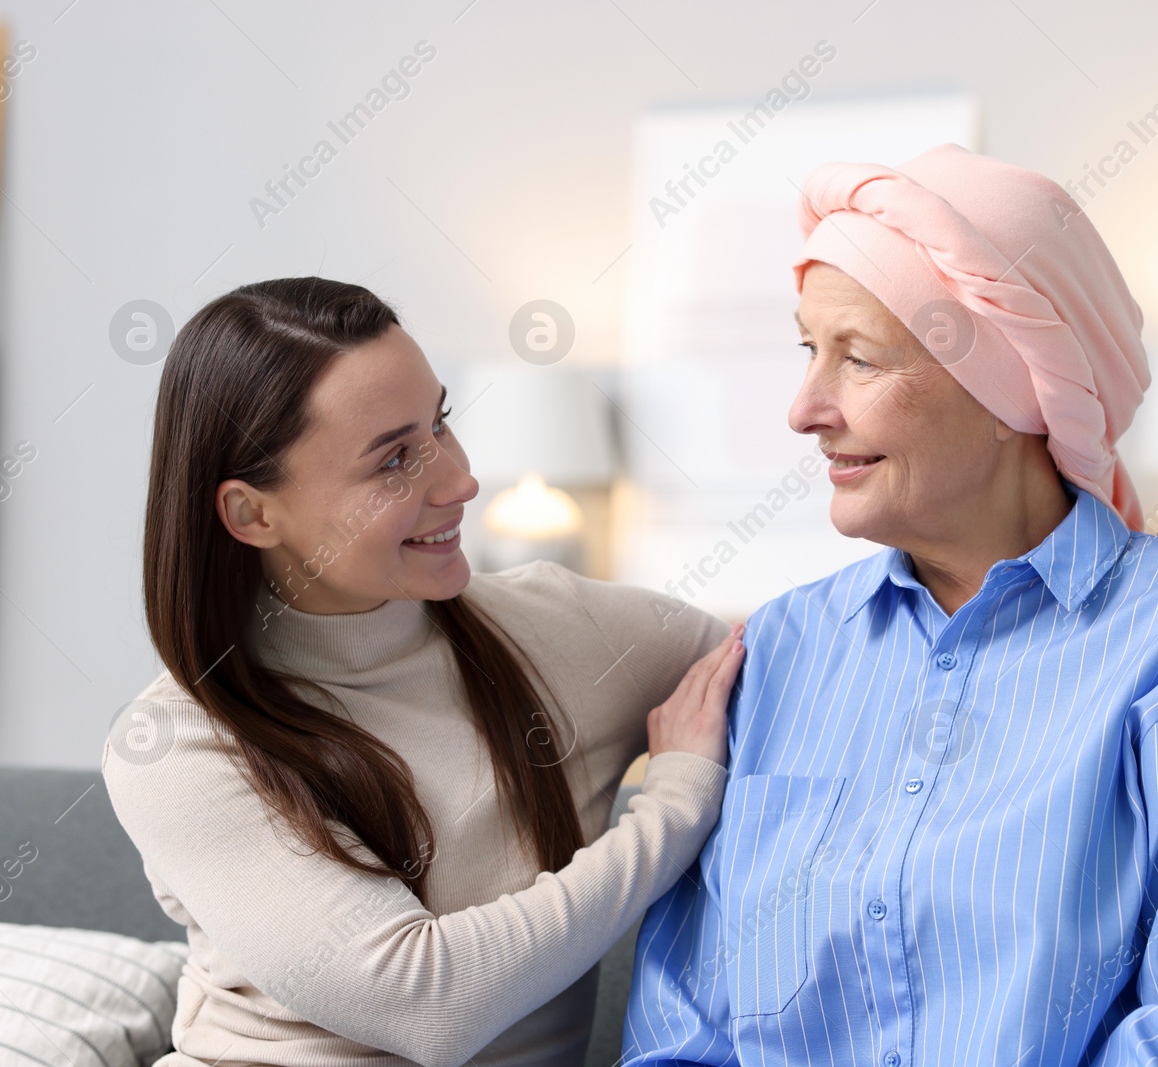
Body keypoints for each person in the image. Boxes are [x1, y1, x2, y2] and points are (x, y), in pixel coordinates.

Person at [623, 144, 1158, 1066]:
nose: (804, 409)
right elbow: (683, 1030)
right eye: (809, 350)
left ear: (1013, 392)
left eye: (860, 360)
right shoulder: (783, 646)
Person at [103, 277, 743, 1067]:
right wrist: (676, 800)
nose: (459, 480)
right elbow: (426, 1003)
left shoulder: (562, 628)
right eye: (394, 460)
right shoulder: (178, 743)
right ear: (252, 514)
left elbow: (806, 666)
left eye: (439, 424)